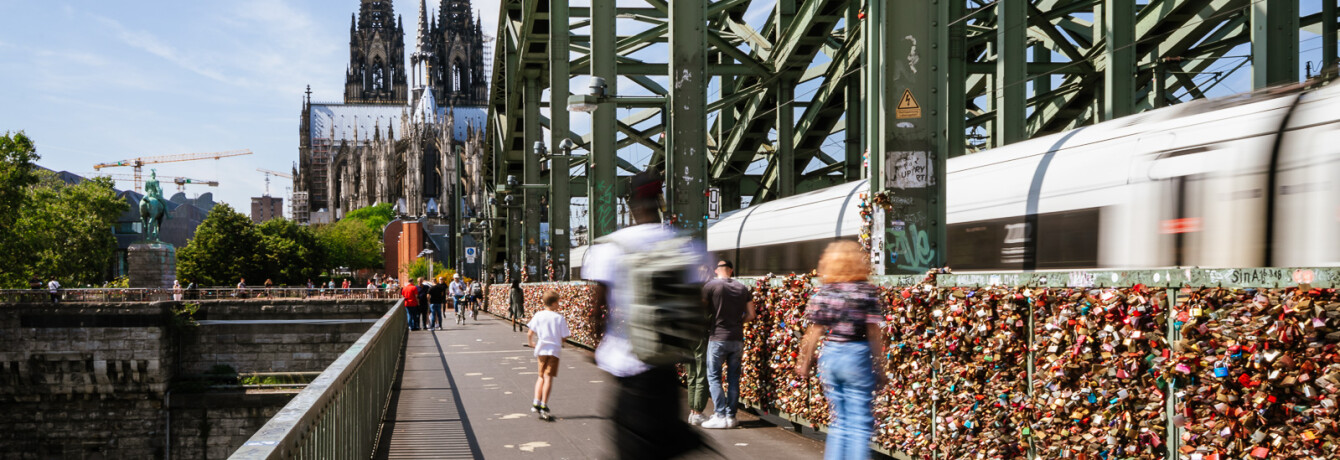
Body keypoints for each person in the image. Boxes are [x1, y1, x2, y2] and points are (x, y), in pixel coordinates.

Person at [583, 170, 706, 459]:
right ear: (659, 202)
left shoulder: (613, 246)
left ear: (631, 205)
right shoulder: (685, 244)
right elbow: (698, 304)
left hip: (629, 371)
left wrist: (599, 341)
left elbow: (595, 311)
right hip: (667, 371)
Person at [796, 240, 887, 460]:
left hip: (832, 354)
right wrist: (881, 367)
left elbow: (814, 331)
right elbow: (873, 332)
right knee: (859, 424)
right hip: (856, 354)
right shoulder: (865, 291)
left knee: (840, 420)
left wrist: (805, 361)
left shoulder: (826, 292)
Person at [698, 259, 756, 429]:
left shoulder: (711, 286)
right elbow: (751, 314)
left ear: (717, 270)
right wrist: (738, 324)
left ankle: (719, 415)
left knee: (714, 377)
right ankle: (731, 417)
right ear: (731, 270)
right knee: (733, 379)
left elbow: (701, 309)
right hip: (737, 338)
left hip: (717, 338)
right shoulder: (742, 288)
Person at [526, 290, 571, 421]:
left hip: (541, 350)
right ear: (554, 303)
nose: (559, 304)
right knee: (548, 377)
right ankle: (544, 404)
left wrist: (531, 343)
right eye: (558, 302)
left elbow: (530, 333)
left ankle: (536, 401)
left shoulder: (538, 315)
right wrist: (558, 340)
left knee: (540, 376)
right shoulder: (559, 318)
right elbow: (564, 337)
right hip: (554, 351)